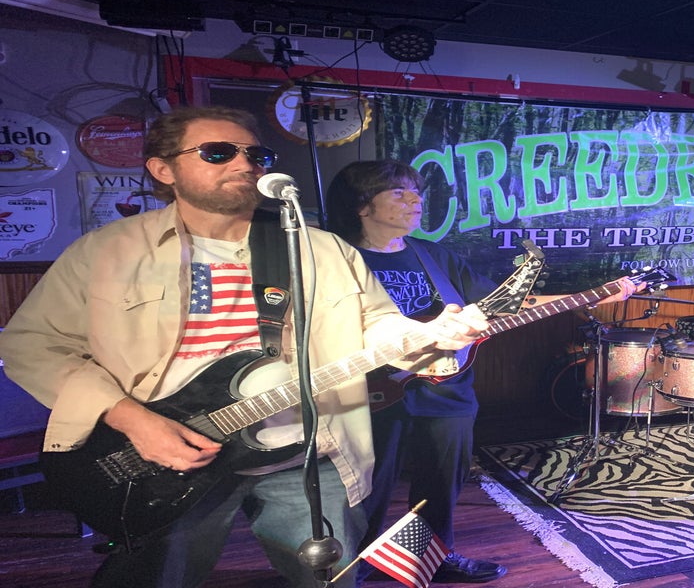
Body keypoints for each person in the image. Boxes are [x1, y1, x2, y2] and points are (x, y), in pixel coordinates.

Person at [0, 106, 488, 588]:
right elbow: (33, 345)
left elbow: (375, 325)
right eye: (218, 152)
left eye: (256, 155)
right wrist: (134, 421)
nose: (244, 164)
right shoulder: (106, 251)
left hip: (308, 452)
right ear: (164, 169)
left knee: (330, 579)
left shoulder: (322, 249)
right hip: (169, 454)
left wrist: (427, 336)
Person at [323, 160, 640, 585]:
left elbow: (502, 306)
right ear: (363, 205)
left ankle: (432, 559)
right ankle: (352, 569)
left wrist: (592, 296)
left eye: (417, 192)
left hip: (446, 390)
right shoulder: (336, 259)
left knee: (440, 485)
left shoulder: (431, 254)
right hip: (368, 392)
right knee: (366, 489)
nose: (416, 200)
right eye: (399, 192)